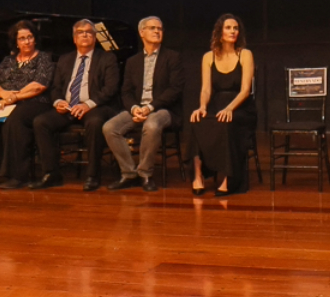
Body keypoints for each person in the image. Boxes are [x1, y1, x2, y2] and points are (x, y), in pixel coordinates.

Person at [31, 19, 121, 191]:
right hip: (68, 107)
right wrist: (58, 102)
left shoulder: (107, 58)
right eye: (80, 32)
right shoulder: (65, 59)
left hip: (96, 107)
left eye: (89, 32)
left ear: (95, 38)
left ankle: (93, 175)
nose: (85, 35)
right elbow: (55, 87)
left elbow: (111, 88)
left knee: (94, 123)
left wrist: (88, 104)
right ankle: (51, 173)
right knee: (40, 122)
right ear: (74, 38)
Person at [103, 16, 184, 192]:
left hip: (163, 109)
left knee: (152, 124)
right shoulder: (133, 61)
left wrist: (150, 107)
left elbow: (175, 89)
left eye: (160, 29)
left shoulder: (172, 57)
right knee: (110, 127)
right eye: (153, 28)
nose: (157, 31)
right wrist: (134, 108)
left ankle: (145, 174)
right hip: (137, 109)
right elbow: (126, 91)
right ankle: (129, 173)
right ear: (142, 32)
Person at [185, 14, 258, 197]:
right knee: (197, 121)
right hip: (216, 105)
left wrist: (229, 109)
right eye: (228, 28)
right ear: (219, 32)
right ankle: (198, 176)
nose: (233, 31)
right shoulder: (208, 57)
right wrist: (202, 107)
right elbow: (206, 89)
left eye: (235, 28)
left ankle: (228, 178)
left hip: (240, 107)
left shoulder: (245, 54)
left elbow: (245, 90)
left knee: (226, 123)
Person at [0, 20, 55, 190]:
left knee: (15, 119)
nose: (26, 42)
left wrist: (14, 97)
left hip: (35, 103)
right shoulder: (8, 61)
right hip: (7, 101)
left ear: (35, 39)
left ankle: (17, 175)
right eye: (22, 38)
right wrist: (4, 95)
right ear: (16, 42)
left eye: (30, 37)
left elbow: (38, 85)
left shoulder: (43, 58)